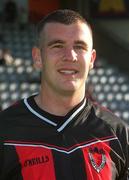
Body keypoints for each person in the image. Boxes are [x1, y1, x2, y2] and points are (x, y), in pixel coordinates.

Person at [0, 9, 128, 180]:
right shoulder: (5, 131)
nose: (70, 56)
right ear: (38, 57)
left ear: (91, 59)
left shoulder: (115, 132)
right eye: (57, 45)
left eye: (79, 46)